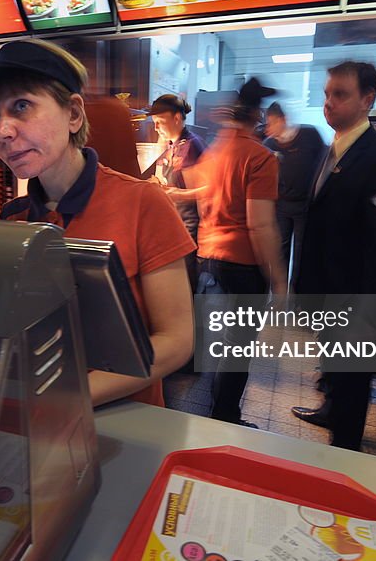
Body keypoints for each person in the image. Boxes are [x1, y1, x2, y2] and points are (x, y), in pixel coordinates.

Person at [0, 39, 195, 407]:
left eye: (21, 106)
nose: (1, 131)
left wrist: (63, 399)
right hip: (37, 415)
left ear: (74, 115)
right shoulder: (15, 218)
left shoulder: (142, 202)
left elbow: (176, 342)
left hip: (130, 421)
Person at [291, 61, 376, 452]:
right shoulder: (333, 150)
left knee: (354, 378)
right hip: (328, 290)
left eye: (339, 95)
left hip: (357, 299)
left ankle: (345, 454)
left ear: (367, 99)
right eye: (327, 95)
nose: (329, 103)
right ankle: (331, 410)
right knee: (335, 372)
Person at [173, 78, 286, 426]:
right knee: (237, 349)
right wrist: (280, 280)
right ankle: (224, 418)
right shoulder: (261, 157)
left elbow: (204, 188)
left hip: (208, 258)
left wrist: (178, 195)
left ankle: (214, 413)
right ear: (258, 118)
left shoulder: (216, 150)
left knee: (219, 343)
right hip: (242, 265)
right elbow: (260, 225)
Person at [263, 102, 326, 288]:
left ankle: (297, 293)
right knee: (280, 250)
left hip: (305, 205)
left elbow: (324, 162)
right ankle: (279, 294)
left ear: (283, 119)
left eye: (272, 123)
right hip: (281, 205)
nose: (269, 128)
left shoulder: (309, 135)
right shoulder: (269, 145)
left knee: (301, 251)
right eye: (267, 124)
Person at [149, 94, 206, 291]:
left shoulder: (191, 146)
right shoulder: (172, 145)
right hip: (176, 221)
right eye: (154, 122)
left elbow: (208, 190)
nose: (156, 128)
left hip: (190, 225)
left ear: (176, 119)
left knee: (186, 285)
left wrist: (176, 194)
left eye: (159, 122)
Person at [83, 94, 142, 177]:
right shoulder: (118, 108)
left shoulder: (116, 109)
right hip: (121, 177)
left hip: (93, 176)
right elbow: (131, 157)